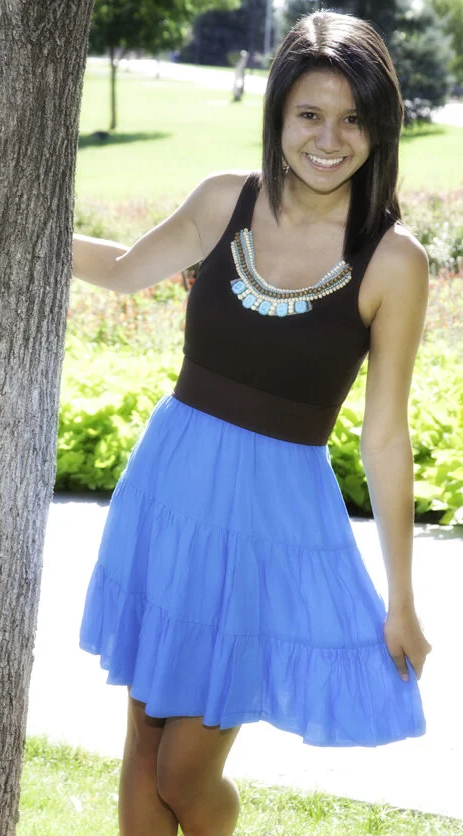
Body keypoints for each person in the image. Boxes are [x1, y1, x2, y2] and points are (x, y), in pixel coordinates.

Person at [72, 11, 433, 836]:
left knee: (183, 773)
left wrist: (402, 600)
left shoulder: (392, 260)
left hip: (268, 528)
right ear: (277, 114)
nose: (328, 139)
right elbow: (124, 270)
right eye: (309, 114)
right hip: (170, 492)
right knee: (143, 747)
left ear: (379, 126)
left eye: (352, 118)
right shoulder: (223, 201)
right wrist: (13, 227)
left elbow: (384, 436)